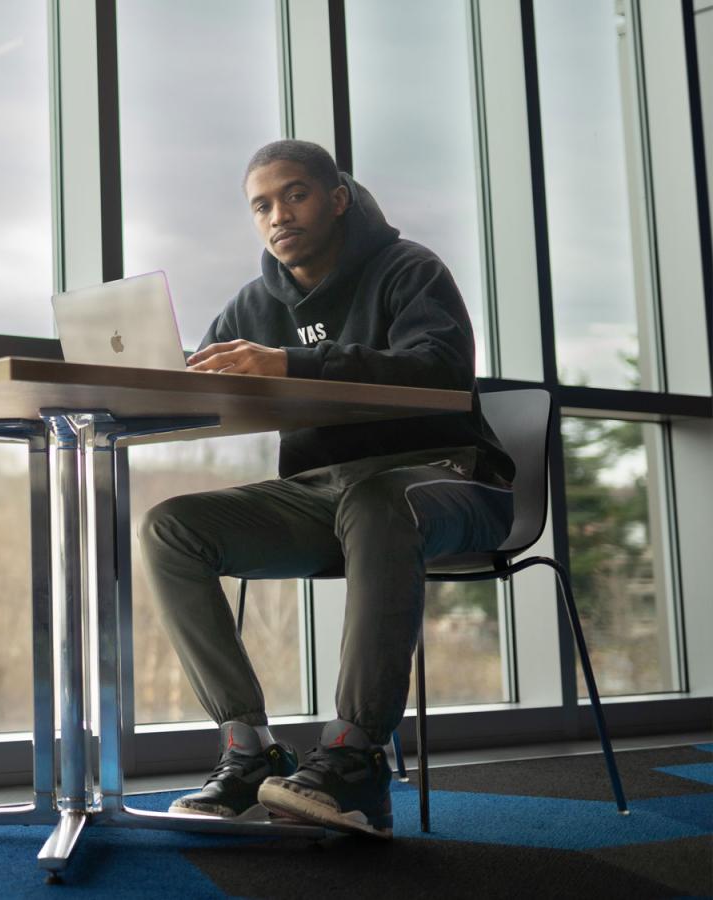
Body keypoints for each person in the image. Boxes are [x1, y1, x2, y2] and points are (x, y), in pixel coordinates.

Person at [139, 139, 515, 838]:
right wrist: (147, 382)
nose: (277, 214)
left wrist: (288, 360)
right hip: (326, 495)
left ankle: (356, 758)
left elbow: (440, 370)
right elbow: (199, 387)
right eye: (261, 205)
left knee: (378, 502)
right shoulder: (255, 302)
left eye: (295, 194)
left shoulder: (408, 269)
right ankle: (248, 753)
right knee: (170, 527)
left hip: (451, 480)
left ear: (337, 197)